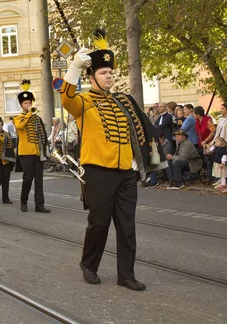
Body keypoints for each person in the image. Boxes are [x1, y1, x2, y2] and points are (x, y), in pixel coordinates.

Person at [60, 29, 166, 291]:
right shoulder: (83, 102)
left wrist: (141, 162)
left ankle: (126, 275)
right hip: (97, 171)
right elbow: (66, 97)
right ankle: (89, 265)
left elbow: (140, 130)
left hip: (126, 172)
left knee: (127, 226)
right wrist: (74, 67)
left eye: (111, 72)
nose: (109, 76)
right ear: (91, 76)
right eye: (103, 72)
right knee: (99, 223)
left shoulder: (123, 101)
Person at [15, 80, 51, 214]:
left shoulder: (37, 119)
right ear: (21, 105)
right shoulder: (18, 118)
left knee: (39, 180)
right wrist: (30, 113)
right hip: (26, 153)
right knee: (28, 178)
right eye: (26, 103)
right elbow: (20, 126)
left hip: (38, 153)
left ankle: (39, 205)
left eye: (30, 103)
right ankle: (23, 201)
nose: (28, 105)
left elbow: (43, 134)